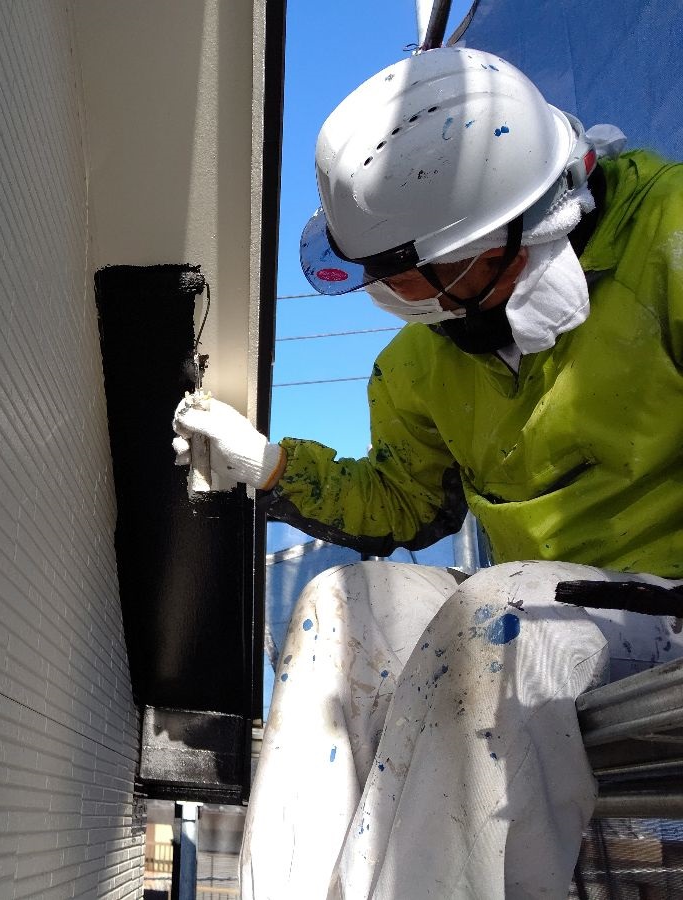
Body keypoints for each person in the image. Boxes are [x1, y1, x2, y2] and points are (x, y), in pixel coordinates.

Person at [171, 46, 683, 899]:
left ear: (500, 235)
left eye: (415, 279)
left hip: (663, 605)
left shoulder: (670, 242)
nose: (409, 304)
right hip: (537, 609)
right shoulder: (425, 360)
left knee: (500, 619)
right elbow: (405, 501)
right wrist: (269, 467)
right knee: (344, 607)